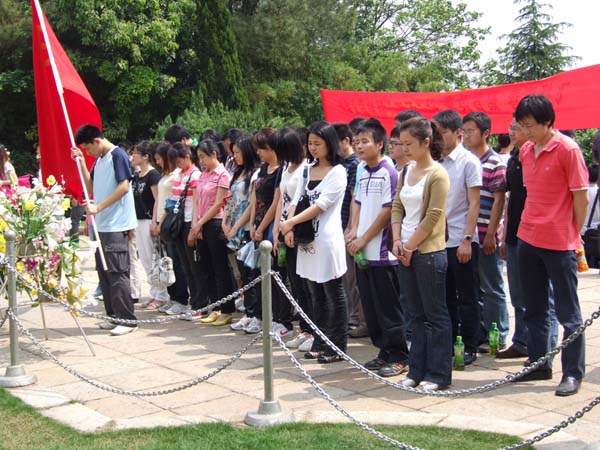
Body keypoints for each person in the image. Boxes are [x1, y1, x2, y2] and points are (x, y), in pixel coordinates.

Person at [513, 95, 588, 397]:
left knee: (568, 313)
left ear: (547, 122)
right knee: (534, 307)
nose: (525, 132)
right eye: (522, 125)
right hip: (527, 237)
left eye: (530, 126)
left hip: (559, 241)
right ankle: (539, 363)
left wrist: (573, 232)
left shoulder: (568, 150)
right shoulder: (526, 150)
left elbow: (580, 198)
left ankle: (572, 373)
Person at [391, 118, 452, 390]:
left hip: (428, 253)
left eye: (409, 144)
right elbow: (397, 206)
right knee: (414, 314)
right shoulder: (406, 171)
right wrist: (397, 240)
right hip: (404, 249)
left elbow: (433, 216)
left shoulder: (438, 174)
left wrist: (410, 247)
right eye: (401, 144)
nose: (404, 149)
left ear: (426, 142)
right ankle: (415, 370)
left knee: (435, 315)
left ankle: (438, 374)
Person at [346, 118, 410, 377]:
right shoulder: (363, 171)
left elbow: (388, 211)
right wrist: (353, 230)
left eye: (365, 141)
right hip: (363, 254)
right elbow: (357, 202)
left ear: (380, 144)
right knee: (371, 309)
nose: (359, 146)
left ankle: (399, 356)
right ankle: (383, 351)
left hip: (383, 255)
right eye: (356, 141)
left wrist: (364, 238)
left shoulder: (389, 172)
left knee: (389, 309)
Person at [281, 120, 348, 364]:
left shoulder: (338, 172)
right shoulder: (307, 170)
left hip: (327, 240)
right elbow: (296, 199)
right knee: (314, 293)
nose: (313, 148)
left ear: (330, 143)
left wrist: (291, 222)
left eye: (317, 143)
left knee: (332, 292)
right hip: (306, 240)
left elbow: (322, 205)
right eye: (310, 143)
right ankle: (320, 341)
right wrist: (289, 226)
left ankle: (337, 345)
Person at [71, 125, 138, 336]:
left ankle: (127, 319)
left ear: (97, 141)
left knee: (118, 272)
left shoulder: (118, 155)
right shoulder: (99, 160)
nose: (88, 152)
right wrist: (82, 162)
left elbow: (124, 187)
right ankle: (114, 315)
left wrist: (99, 207)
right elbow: (90, 187)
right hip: (101, 224)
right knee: (104, 273)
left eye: (88, 148)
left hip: (116, 224)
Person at [432, 110, 482, 366]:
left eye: (442, 133)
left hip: (461, 239)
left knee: (467, 296)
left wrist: (467, 239)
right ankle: (450, 343)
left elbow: (474, 203)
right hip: (438, 241)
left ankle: (470, 345)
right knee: (445, 297)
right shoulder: (435, 162)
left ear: (458, 132)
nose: (438, 138)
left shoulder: (468, 162)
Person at [462, 111, 509, 352]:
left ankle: (498, 334)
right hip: (469, 235)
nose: (466, 135)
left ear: (486, 133)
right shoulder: (466, 160)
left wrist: (491, 233)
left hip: (486, 234)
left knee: (492, 287)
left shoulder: (495, 162)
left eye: (471, 131)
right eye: (464, 131)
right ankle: (481, 331)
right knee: (475, 288)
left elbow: (499, 201)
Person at [271, 128, 313, 351]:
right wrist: (277, 230)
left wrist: (290, 228)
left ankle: (312, 330)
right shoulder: (287, 168)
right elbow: (281, 200)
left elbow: (301, 201)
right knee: (295, 284)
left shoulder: (306, 168)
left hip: (298, 231)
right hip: (284, 229)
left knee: (305, 285)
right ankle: (304, 328)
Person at [190, 139, 235, 325]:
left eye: (203, 157)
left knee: (220, 268)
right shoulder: (203, 175)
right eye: (199, 157)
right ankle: (215, 306)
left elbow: (218, 203)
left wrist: (200, 223)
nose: (201, 161)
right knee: (206, 268)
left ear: (214, 154)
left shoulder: (222, 175)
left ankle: (227, 309)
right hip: (201, 224)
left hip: (215, 223)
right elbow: (197, 201)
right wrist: (196, 224)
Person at [333, 122, 366, 339]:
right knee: (345, 278)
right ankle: (350, 317)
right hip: (342, 227)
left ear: (346, 141)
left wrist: (352, 227)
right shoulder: (341, 164)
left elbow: (355, 198)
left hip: (352, 228)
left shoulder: (355, 164)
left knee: (354, 280)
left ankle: (358, 320)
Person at [225, 135, 260, 332]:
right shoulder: (238, 173)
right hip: (234, 228)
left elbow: (250, 205)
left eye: (238, 152)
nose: (235, 156)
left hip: (246, 228)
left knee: (250, 273)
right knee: (242, 274)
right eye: (234, 153)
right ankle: (249, 312)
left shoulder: (254, 174)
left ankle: (255, 314)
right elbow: (231, 200)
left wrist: (237, 225)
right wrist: (226, 222)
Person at [131, 141, 169, 309]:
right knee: (145, 259)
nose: (133, 156)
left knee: (155, 258)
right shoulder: (136, 176)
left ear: (145, 156)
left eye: (136, 153)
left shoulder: (153, 175)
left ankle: (162, 295)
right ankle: (153, 293)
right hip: (137, 220)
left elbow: (157, 200)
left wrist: (155, 221)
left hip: (148, 220)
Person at [167, 143, 202, 317]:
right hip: (179, 223)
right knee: (185, 266)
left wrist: (194, 228)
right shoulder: (178, 174)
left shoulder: (195, 175)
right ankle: (192, 301)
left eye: (179, 161)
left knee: (195, 267)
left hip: (189, 221)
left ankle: (199, 303)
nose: (178, 164)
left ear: (187, 157)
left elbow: (196, 203)